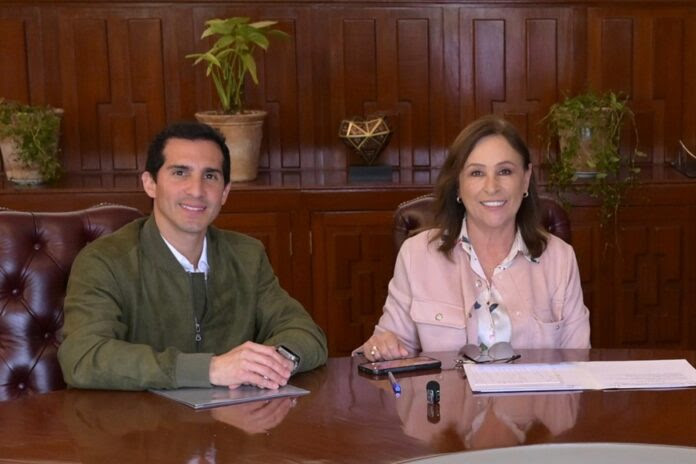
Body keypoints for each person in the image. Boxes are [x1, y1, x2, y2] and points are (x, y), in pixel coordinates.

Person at [58, 122, 327, 390]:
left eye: (210, 176)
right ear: (150, 184)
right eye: (180, 173)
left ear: (225, 192)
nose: (196, 191)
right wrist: (209, 369)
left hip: (232, 414)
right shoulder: (104, 261)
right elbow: (82, 357)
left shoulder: (247, 256)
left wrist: (273, 363)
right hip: (136, 416)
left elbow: (305, 333)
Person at [359, 115, 590, 360]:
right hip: (448, 387)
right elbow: (387, 350)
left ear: (525, 179)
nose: (492, 187)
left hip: (535, 387)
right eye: (477, 173)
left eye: (505, 171)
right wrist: (380, 347)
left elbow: (578, 362)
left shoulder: (560, 258)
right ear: (458, 185)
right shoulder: (416, 255)